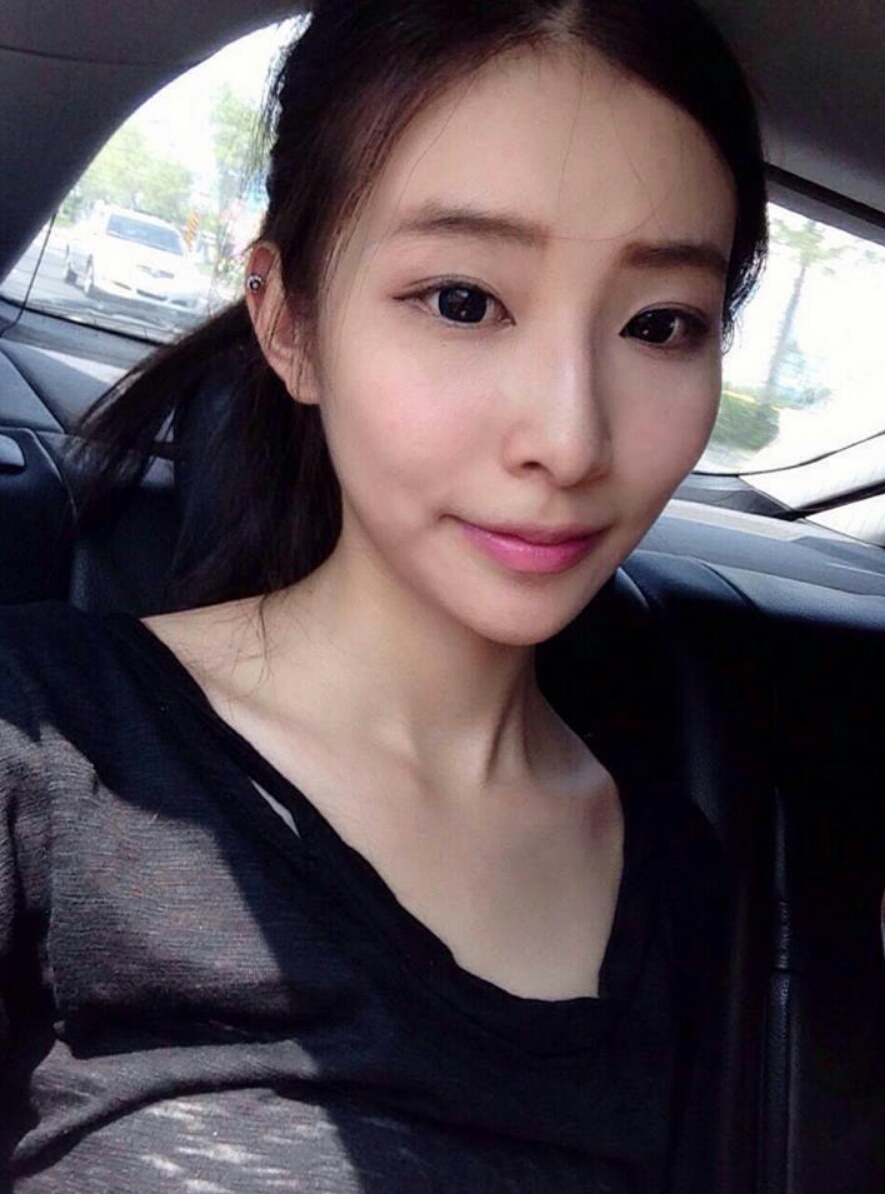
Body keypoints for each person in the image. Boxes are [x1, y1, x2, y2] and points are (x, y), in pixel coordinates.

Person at [0, 0, 767, 1189]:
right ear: (289, 323)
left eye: (660, 324)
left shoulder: (685, 888)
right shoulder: (45, 747)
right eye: (464, 301)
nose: (570, 441)